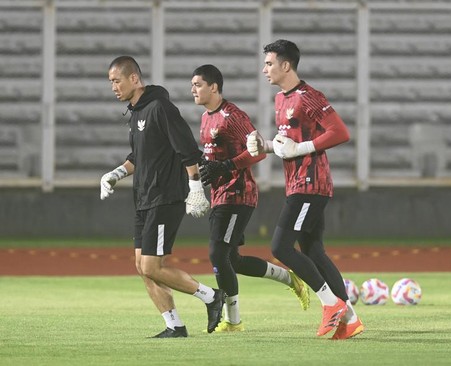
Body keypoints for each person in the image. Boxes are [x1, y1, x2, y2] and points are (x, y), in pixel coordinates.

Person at [101, 56, 226, 338]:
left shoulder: (160, 107)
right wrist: (115, 174)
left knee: (151, 265)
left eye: (116, 80)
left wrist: (195, 186)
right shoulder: (135, 113)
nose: (113, 87)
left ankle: (211, 296)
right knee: (142, 267)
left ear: (134, 79)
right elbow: (138, 157)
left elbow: (186, 148)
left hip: (165, 198)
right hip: (144, 199)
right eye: (110, 82)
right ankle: (174, 325)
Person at [246, 39, 363, 340]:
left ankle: (330, 304)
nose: (264, 69)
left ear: (286, 65)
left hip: (310, 184)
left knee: (280, 247)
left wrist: (303, 147)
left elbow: (340, 132)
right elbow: (290, 146)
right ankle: (350, 319)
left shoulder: (308, 96)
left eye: (269, 63)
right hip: (298, 182)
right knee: (313, 251)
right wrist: (267, 146)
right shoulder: (280, 100)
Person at [190, 64, 311, 332]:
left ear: (214, 87)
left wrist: (227, 166)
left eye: (198, 84)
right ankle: (289, 279)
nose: (193, 90)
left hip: (238, 193)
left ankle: (233, 321)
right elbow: (216, 154)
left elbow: (257, 152)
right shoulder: (205, 118)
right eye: (192, 85)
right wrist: (207, 165)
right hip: (221, 194)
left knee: (216, 252)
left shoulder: (232, 116)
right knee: (233, 260)